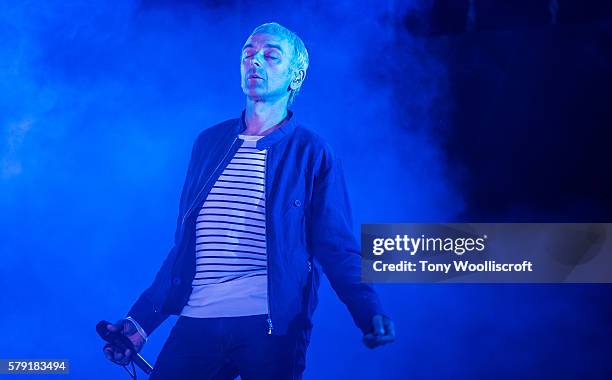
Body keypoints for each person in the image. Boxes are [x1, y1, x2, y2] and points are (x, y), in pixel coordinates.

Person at [103, 22, 395, 379]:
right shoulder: (209, 143)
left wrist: (368, 308)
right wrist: (141, 321)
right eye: (248, 53)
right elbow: (184, 250)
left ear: (295, 77)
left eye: (270, 55)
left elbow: (336, 247)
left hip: (269, 326)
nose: (254, 61)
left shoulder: (311, 152)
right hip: (198, 319)